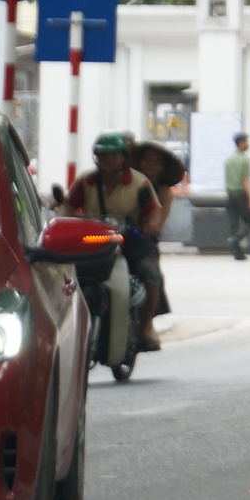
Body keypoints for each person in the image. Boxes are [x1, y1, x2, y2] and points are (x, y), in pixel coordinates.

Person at [68, 131, 167, 350]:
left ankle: (144, 329)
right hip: (93, 245)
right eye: (103, 155)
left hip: (131, 244)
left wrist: (150, 225)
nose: (108, 159)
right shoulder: (86, 181)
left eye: (113, 155)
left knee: (151, 277)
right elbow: (67, 206)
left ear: (123, 157)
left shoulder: (139, 183)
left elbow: (154, 211)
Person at [224, 132, 250, 261]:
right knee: (249, 219)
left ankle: (237, 253)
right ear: (241, 142)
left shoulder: (229, 159)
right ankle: (235, 239)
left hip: (230, 192)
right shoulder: (244, 159)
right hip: (240, 192)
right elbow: (246, 180)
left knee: (234, 222)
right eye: (246, 141)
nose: (248, 144)